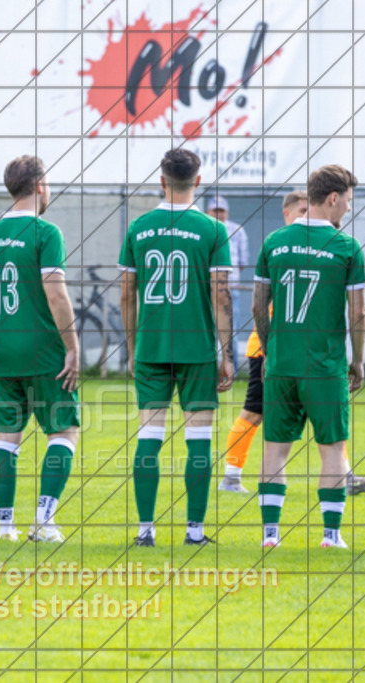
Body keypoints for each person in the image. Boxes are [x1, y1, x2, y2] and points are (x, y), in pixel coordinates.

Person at [219, 190, 365, 496]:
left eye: (311, 208)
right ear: (288, 214)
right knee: (254, 412)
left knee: (326, 418)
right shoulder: (282, 247)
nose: (309, 215)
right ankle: (231, 475)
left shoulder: (304, 248)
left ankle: (344, 475)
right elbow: (262, 306)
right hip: (269, 349)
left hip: (294, 353)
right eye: (303, 210)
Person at [119, 149, 235, 548]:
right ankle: (194, 531)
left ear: (162, 180)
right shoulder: (213, 230)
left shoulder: (139, 227)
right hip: (198, 349)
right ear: (198, 182)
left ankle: (145, 531)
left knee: (148, 436)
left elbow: (126, 294)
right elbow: (222, 296)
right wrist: (227, 354)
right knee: (198, 440)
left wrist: (132, 348)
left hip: (151, 347)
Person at [254, 164, 365, 550]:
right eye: (348, 201)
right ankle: (331, 536)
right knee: (332, 449)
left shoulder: (275, 241)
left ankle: (271, 535)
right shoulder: (346, 247)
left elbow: (258, 306)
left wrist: (270, 350)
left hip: (282, 364)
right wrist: (359, 360)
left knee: (275, 449)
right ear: (333, 199)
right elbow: (357, 313)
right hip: (324, 366)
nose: (349, 209)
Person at [0, 155, 80, 543]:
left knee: (5, 439)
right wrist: (72, 347)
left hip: (1, 353)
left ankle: (5, 528)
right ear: (39, 186)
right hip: (44, 350)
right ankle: (44, 522)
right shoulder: (45, 232)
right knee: (64, 432)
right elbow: (56, 294)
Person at [206, 195, 247, 368]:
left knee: (231, 331)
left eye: (221, 211)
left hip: (230, 289)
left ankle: (232, 369)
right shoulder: (204, 229)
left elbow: (242, 262)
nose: (218, 214)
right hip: (206, 289)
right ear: (208, 212)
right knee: (206, 331)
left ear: (227, 212)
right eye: (215, 211)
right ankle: (206, 370)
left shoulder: (237, 231)